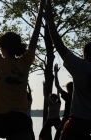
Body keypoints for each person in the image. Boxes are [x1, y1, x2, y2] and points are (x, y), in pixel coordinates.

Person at [0, 0, 44, 139]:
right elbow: (36, 33)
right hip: (21, 118)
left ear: (2, 49)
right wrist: (41, 7)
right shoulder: (25, 62)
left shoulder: (0, 63)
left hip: (0, 117)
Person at [45, 1, 91, 138]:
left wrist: (50, 21)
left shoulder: (81, 66)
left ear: (85, 55)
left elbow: (59, 46)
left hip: (78, 121)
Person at [53, 64, 72, 140]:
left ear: (69, 89)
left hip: (66, 120)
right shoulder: (78, 97)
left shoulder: (68, 96)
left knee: (58, 136)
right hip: (77, 120)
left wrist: (56, 73)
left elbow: (57, 86)